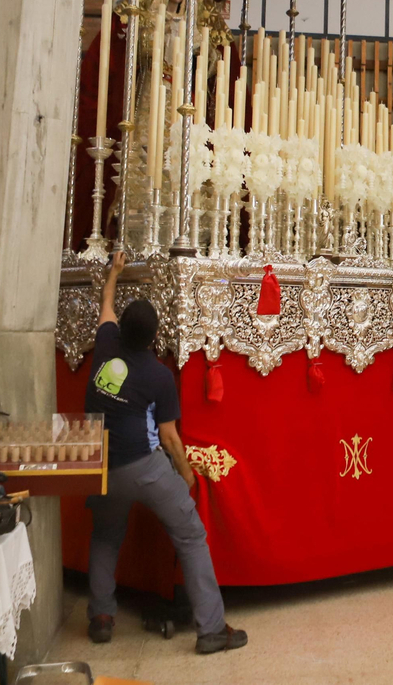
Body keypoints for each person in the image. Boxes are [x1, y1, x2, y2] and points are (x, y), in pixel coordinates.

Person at [83, 251, 246, 655]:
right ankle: (210, 630)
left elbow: (105, 306)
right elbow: (170, 439)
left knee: (105, 536)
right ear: (155, 338)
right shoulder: (157, 374)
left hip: (101, 465)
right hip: (144, 466)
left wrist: (115, 274)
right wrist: (188, 477)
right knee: (190, 535)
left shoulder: (105, 346)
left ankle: (101, 617)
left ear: (122, 330)